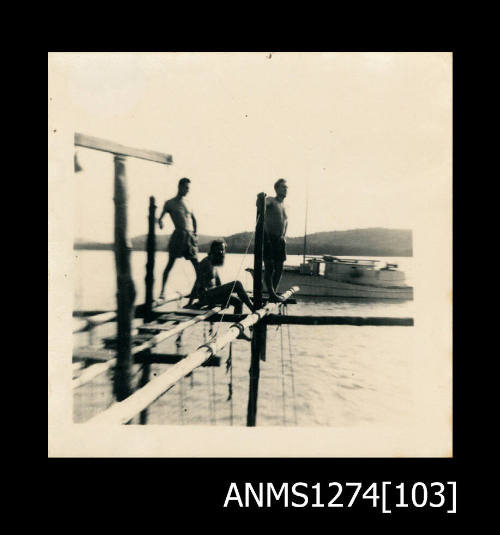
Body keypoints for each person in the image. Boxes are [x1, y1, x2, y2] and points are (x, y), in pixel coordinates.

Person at [187, 239, 256, 321]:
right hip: (206, 296)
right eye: (219, 249)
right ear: (213, 250)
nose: (221, 252)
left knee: (238, 302)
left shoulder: (214, 263)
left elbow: (219, 284)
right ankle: (253, 309)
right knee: (237, 284)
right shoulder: (206, 262)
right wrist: (190, 303)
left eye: (223, 249)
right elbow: (197, 282)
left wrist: (225, 296)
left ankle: (238, 329)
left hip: (213, 295)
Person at [158, 177, 199, 299]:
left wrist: (195, 234)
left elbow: (194, 219)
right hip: (178, 235)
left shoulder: (188, 203)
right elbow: (161, 217)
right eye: (186, 188)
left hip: (190, 236)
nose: (187, 190)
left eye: (189, 188)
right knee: (170, 264)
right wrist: (160, 222)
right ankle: (162, 292)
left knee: (198, 266)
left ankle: (197, 291)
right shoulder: (170, 203)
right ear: (180, 187)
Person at [263, 178, 288, 302]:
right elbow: (262, 205)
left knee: (280, 267)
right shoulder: (271, 200)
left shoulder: (283, 205)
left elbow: (285, 221)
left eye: (286, 187)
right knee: (269, 267)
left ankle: (273, 293)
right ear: (276, 189)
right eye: (283, 187)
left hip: (280, 240)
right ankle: (271, 293)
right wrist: (261, 199)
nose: (286, 189)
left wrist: (284, 236)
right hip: (269, 238)